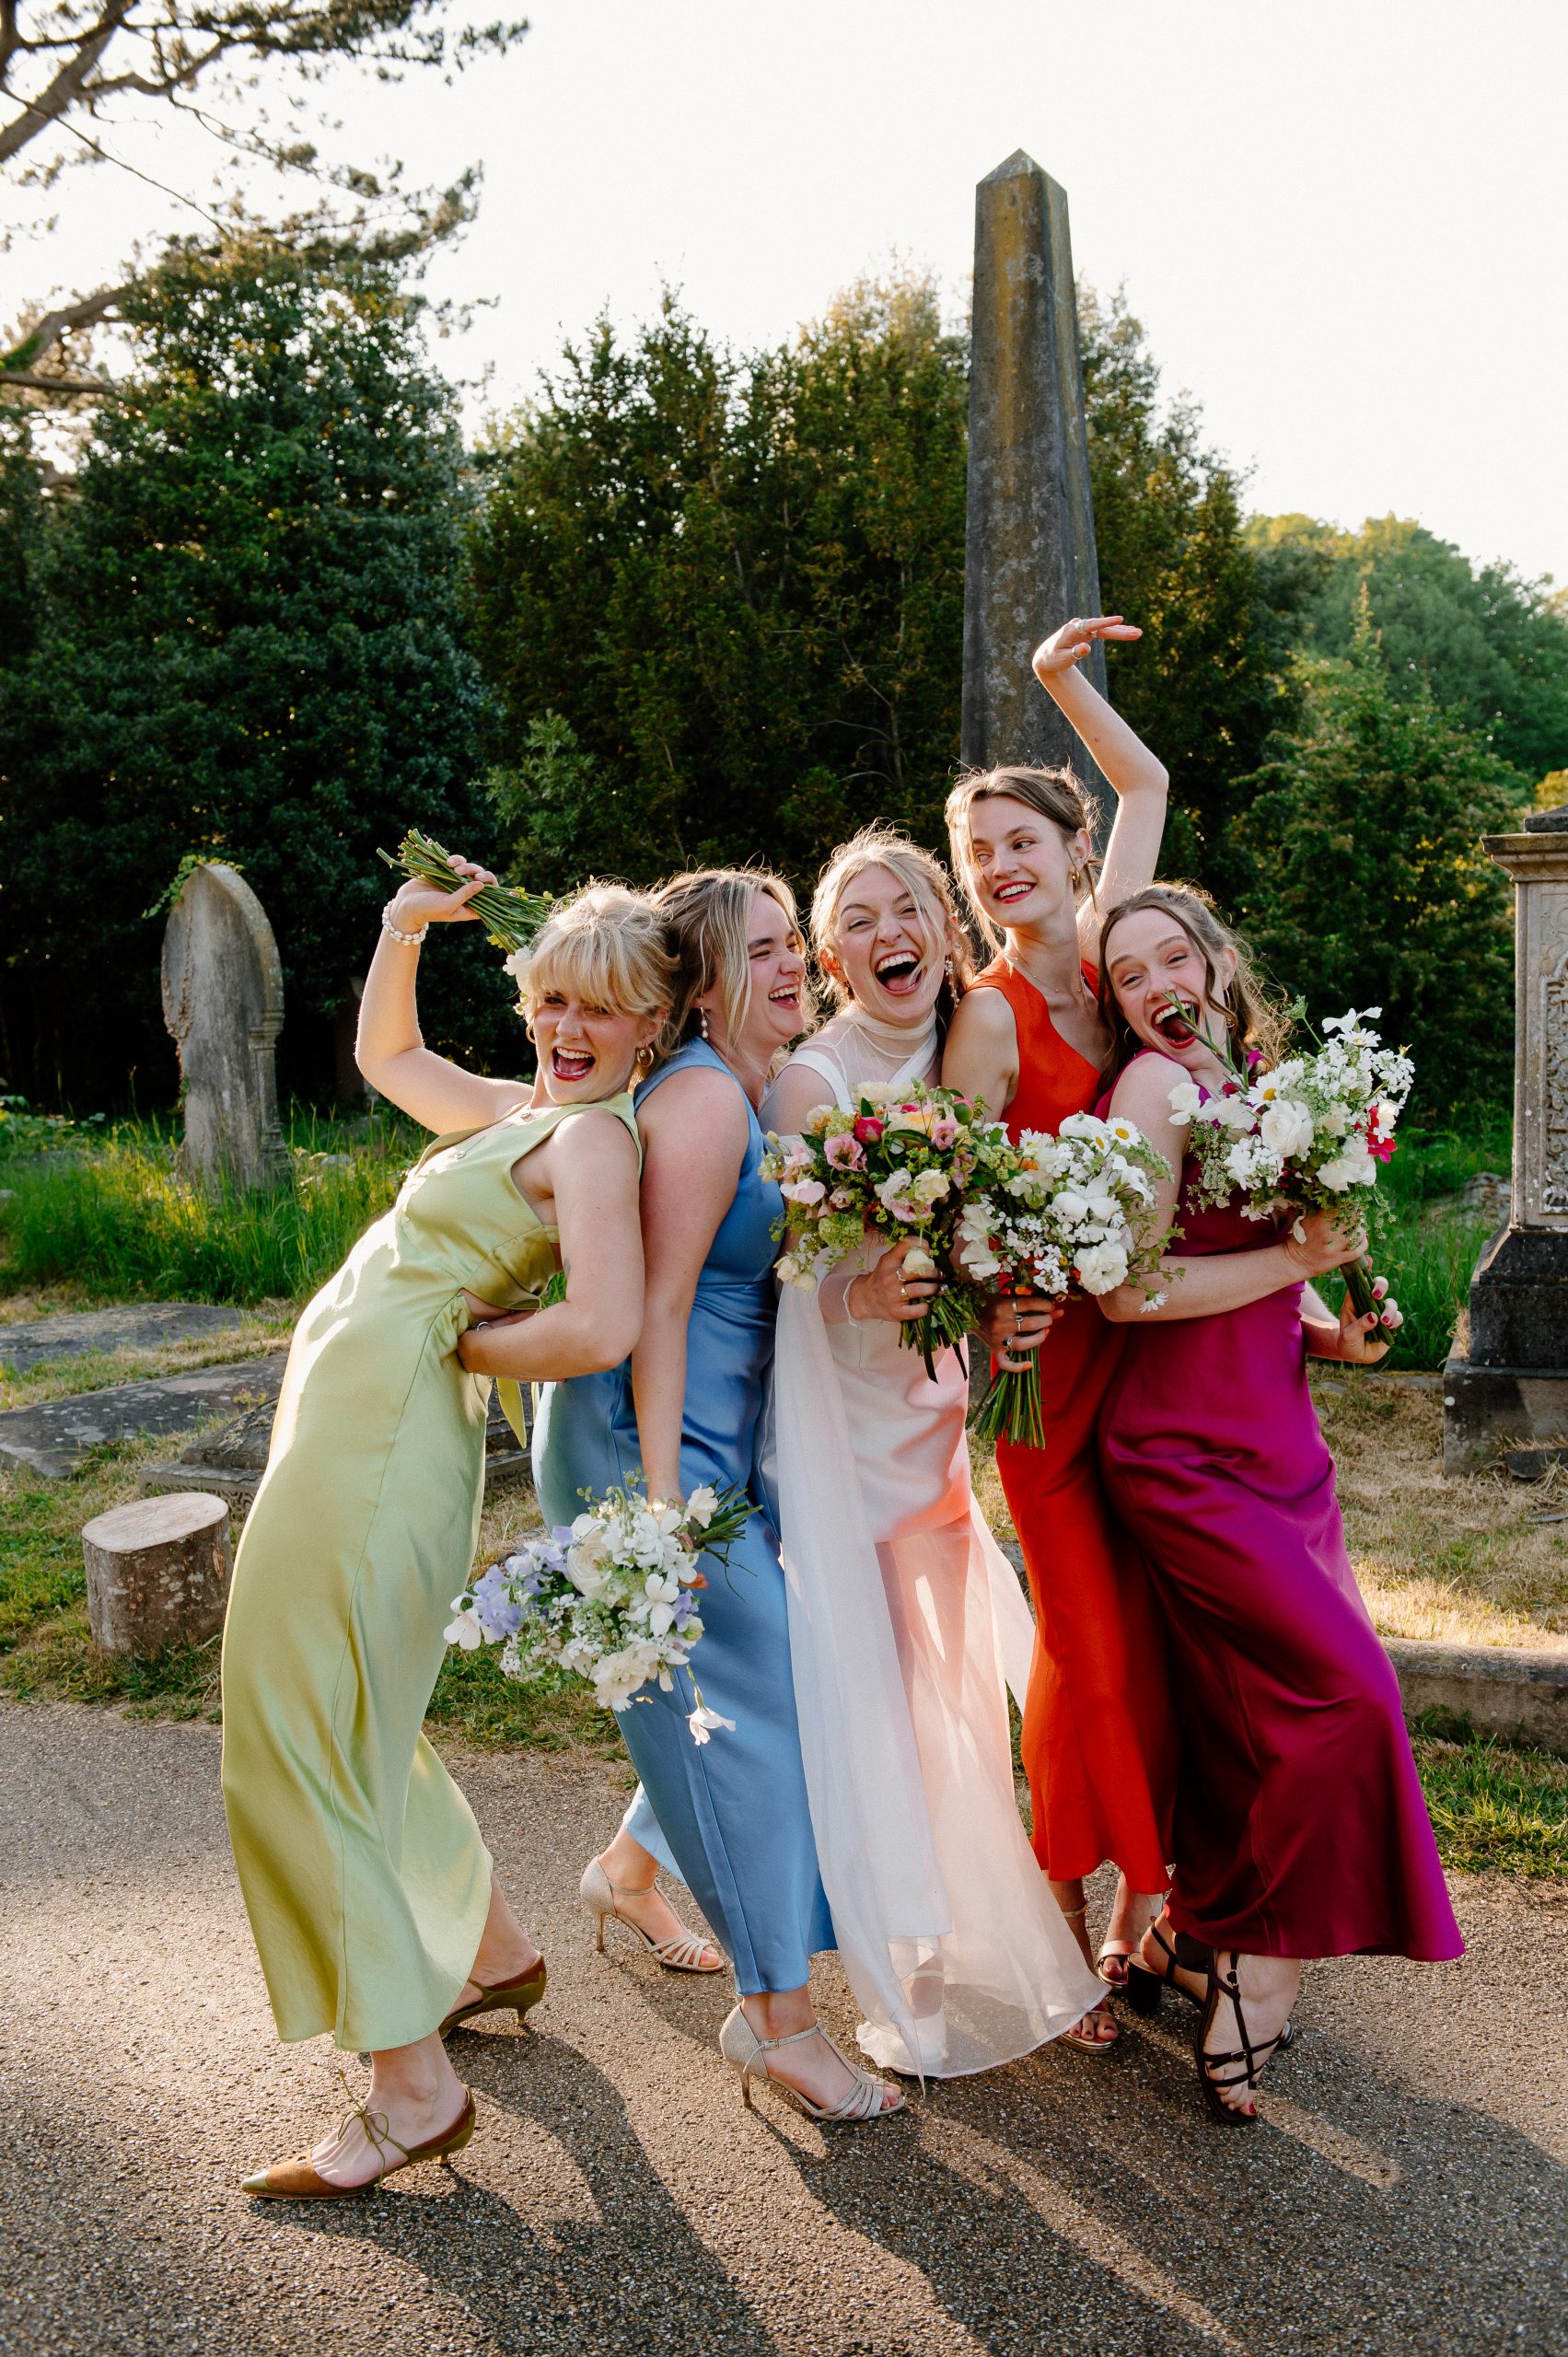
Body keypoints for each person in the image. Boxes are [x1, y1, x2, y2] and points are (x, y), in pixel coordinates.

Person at [223, 867, 668, 2196]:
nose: (567, 1028)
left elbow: (602, 1322)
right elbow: (388, 1052)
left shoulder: (594, 1143)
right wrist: (402, 927)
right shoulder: (533, 1111)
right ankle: (491, 1952)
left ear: (654, 1021)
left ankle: (412, 2090)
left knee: (289, 1736)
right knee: (354, 1714)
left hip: (380, 1449)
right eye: (550, 1001)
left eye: (601, 1008)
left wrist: (456, 1335)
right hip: (347, 1430)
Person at [534, 868, 901, 2123]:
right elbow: (663, 1309)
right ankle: (778, 2020)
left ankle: (629, 1870)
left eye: (799, 940)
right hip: (645, 1448)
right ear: (704, 979)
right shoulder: (697, 1102)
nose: (797, 962)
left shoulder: (748, 1092)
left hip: (707, 1446)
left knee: (753, 1690)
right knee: (747, 1716)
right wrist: (657, 1511)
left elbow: (766, 1289)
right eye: (769, 946)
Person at [1093, 883, 1464, 2120]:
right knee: (1349, 1694)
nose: (1154, 988)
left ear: (1214, 959)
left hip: (1280, 1443)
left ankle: (1189, 1931)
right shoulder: (1151, 1093)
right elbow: (1132, 1292)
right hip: (1182, 1453)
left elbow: (1252, 1273)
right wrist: (1293, 1262)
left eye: (1169, 959)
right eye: (1127, 974)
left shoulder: (1263, 1075)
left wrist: (1323, 1326)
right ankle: (1258, 1962)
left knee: (1237, 1716)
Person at [942, 616, 1175, 2045]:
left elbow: (1144, 788)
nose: (1002, 868)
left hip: (1148, 1352)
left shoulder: (1114, 957)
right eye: (980, 859)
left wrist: (1057, 683)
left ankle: (1120, 1896)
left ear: (1072, 854)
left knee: (1131, 1634)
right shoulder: (987, 1013)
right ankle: (1109, 1899)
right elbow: (959, 1209)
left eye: (1022, 840)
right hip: (1039, 1368)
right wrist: (997, 1296)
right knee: (1081, 1635)